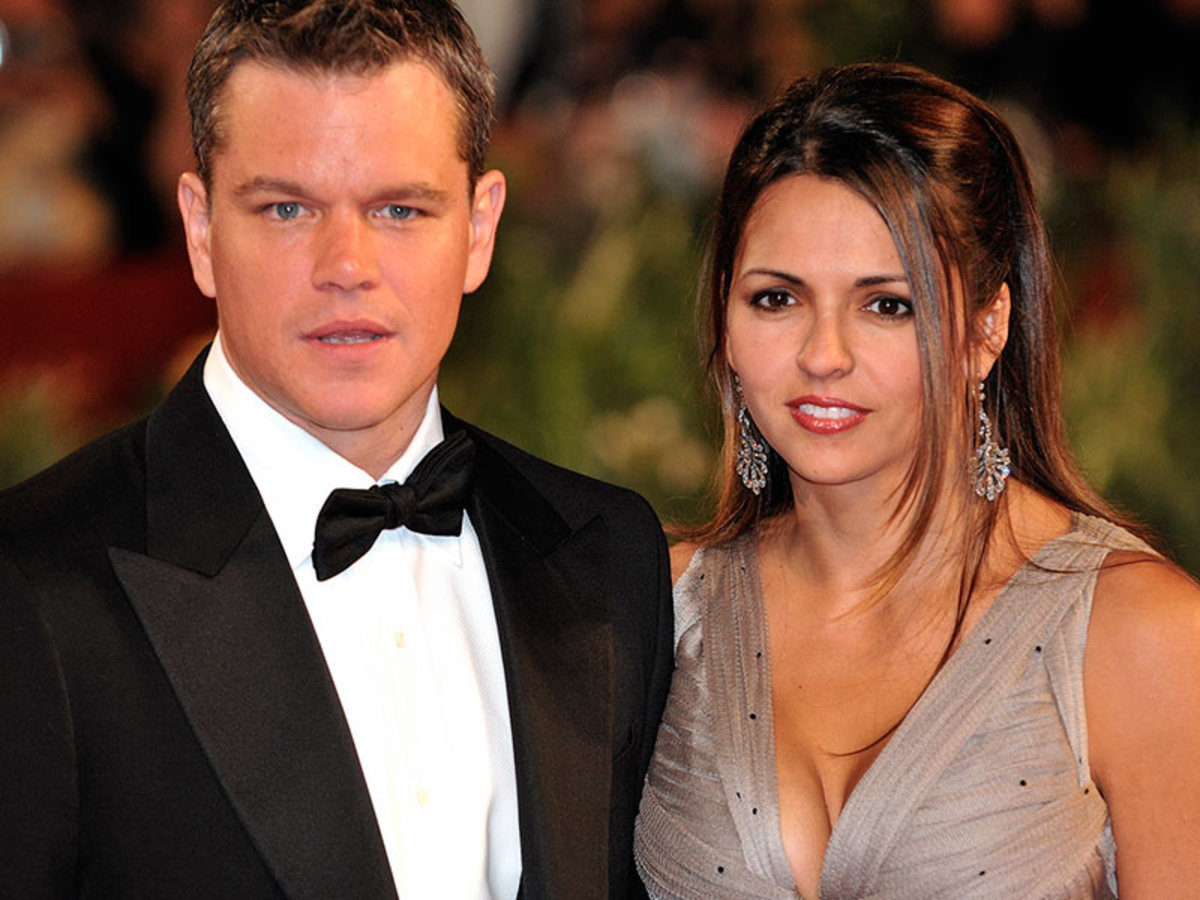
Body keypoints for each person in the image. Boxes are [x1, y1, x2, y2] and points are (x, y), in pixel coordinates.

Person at [0, 2, 673, 898]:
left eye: (400, 208)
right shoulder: (34, 587)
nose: (346, 266)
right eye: (287, 208)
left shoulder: (606, 555)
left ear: (479, 229)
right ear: (201, 230)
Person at [633, 62, 1200, 898]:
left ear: (987, 328)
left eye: (887, 304)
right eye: (777, 299)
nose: (823, 355)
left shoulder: (1138, 634)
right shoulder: (660, 611)